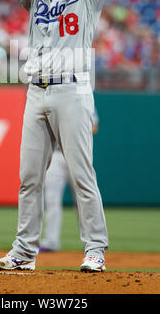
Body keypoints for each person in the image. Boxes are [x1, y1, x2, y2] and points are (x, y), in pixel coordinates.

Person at [0, 0, 109, 272]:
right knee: (28, 179)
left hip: (72, 91)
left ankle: (95, 250)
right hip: (36, 93)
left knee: (80, 175)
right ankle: (24, 253)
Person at [40, 108, 99, 253]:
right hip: (56, 155)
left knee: (83, 200)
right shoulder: (50, 101)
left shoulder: (83, 98)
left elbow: (94, 127)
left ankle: (90, 242)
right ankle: (51, 241)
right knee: (51, 200)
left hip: (77, 153)